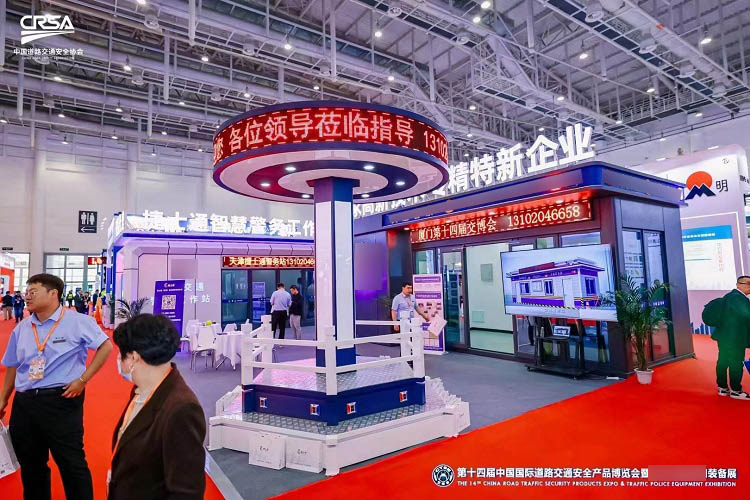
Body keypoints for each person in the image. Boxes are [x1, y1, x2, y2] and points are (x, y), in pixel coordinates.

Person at [0, 273, 112, 500]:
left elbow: (105, 346)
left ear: (53, 294)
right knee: (31, 465)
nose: (27, 296)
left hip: (61, 400)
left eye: (33, 292)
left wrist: (83, 379)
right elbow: (12, 365)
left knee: (71, 463)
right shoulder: (22, 328)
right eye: (27, 292)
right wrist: (3, 398)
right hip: (25, 403)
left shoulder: (78, 321)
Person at [109, 314, 205, 499]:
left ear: (134, 358)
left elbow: (186, 492)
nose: (119, 359)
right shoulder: (143, 390)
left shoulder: (181, 410)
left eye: (121, 354)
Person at [711, 276, 750, 400]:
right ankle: (736, 390)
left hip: (725, 335)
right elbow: (746, 315)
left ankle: (723, 388)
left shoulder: (730, 296)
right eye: (748, 283)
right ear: (738, 284)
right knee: (736, 362)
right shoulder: (738, 298)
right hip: (735, 337)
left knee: (723, 361)